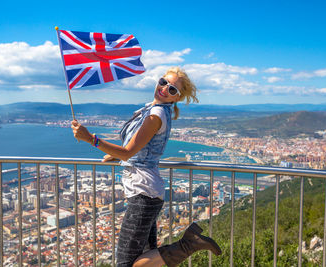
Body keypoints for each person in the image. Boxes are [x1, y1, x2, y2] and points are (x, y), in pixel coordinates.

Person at [71, 67, 222, 267]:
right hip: (146, 191)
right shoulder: (150, 109)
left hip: (144, 192)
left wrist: (91, 139)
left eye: (172, 90)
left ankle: (188, 244)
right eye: (163, 82)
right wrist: (117, 157)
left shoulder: (156, 114)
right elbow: (134, 150)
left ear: (176, 98)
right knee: (147, 256)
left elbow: (128, 151)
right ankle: (189, 243)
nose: (165, 88)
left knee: (125, 263)